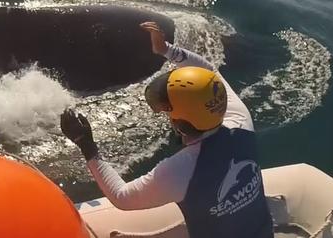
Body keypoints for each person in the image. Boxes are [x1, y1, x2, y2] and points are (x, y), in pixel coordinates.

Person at [61, 22, 273, 238]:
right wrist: (165, 49)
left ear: (181, 121)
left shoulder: (181, 170)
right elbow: (208, 71)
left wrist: (86, 144)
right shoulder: (241, 120)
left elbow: (121, 197)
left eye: (168, 110)